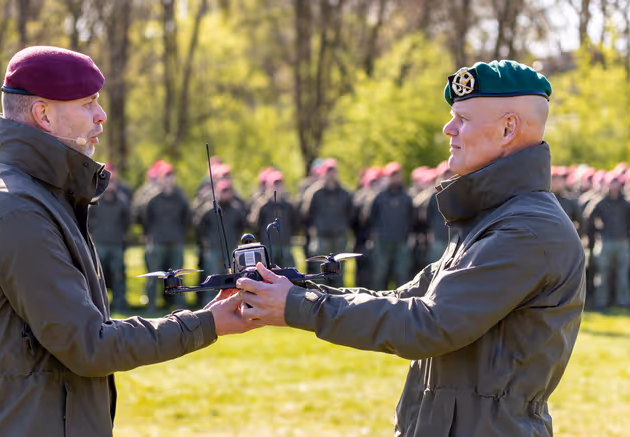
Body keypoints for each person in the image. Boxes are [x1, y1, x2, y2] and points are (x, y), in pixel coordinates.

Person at [236, 60, 585, 436]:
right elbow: (403, 299)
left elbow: (428, 324)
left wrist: (295, 305)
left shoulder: (527, 228)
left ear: (508, 128)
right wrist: (291, 290)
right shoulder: (492, 217)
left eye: (463, 119)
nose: (448, 129)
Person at [0, 46, 254, 437]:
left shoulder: (37, 193)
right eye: (88, 103)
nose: (101, 116)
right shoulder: (14, 208)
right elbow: (89, 345)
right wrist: (206, 323)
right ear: (44, 114)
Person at [135, 162, 191, 310]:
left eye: (171, 175)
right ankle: (151, 305)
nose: (169, 179)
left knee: (178, 275)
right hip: (157, 241)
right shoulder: (152, 198)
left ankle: (179, 305)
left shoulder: (180, 198)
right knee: (153, 275)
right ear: (159, 178)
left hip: (175, 241)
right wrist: (147, 234)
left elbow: (187, 218)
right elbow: (143, 217)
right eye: (166, 176)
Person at [585, 172, 630, 308]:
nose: (614, 186)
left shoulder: (626, 203)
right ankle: (600, 302)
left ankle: (623, 302)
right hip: (605, 242)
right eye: (611, 182)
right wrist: (595, 236)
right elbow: (589, 220)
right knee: (602, 274)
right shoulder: (600, 202)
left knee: (623, 275)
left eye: (616, 182)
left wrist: (627, 233)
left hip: (622, 242)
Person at [300, 159, 353, 287]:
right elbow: (306, 213)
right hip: (321, 238)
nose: (331, 174)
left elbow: (351, 214)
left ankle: (339, 300)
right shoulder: (315, 192)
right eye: (328, 171)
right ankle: (319, 301)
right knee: (320, 273)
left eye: (333, 171)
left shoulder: (345, 193)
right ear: (323, 173)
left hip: (339, 238)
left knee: (338, 273)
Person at [365, 162, 415, 290]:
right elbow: (370, 218)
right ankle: (377, 301)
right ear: (387, 177)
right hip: (382, 242)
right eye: (392, 175)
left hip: (401, 241)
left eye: (398, 175)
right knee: (380, 274)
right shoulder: (378, 197)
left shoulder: (407, 198)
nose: (396, 178)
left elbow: (411, 218)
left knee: (402, 273)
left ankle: (402, 301)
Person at [89, 164, 131, 313]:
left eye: (113, 182)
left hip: (116, 244)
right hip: (99, 244)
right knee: (98, 277)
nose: (110, 185)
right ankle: (98, 305)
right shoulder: (94, 200)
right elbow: (88, 220)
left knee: (119, 276)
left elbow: (128, 221)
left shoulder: (122, 201)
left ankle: (120, 304)